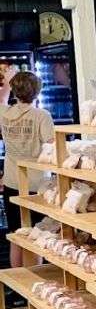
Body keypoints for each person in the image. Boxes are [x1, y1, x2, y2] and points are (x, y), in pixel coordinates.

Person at [0, 71, 54, 267]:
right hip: (38, 183)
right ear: (37, 92)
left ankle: (19, 287)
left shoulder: (5, 113)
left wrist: (7, 81)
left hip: (12, 180)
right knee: (36, 235)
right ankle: (35, 285)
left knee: (17, 234)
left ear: (15, 91)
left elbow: (1, 98)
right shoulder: (42, 116)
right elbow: (52, 146)